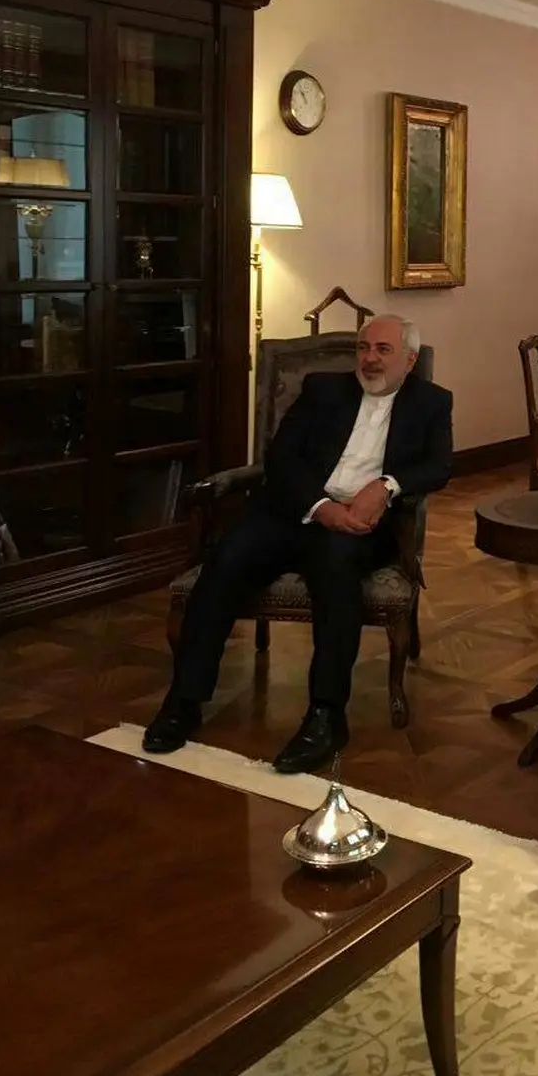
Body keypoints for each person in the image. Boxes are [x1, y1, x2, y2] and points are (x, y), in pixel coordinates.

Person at [142, 314, 453, 772]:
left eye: (383, 350)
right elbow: (281, 456)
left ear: (409, 360)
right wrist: (320, 506)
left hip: (361, 526)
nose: (369, 358)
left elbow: (439, 466)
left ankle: (326, 716)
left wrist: (386, 486)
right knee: (227, 560)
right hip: (294, 511)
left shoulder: (431, 402)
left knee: (337, 573)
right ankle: (184, 701)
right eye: (364, 348)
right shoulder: (323, 390)